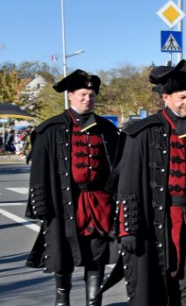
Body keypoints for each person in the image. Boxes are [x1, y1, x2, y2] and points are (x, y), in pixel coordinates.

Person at [113, 60, 186, 306]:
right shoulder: (142, 132)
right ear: (166, 97)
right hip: (160, 220)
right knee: (160, 288)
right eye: (182, 96)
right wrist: (128, 228)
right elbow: (128, 185)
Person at [26, 70, 121, 306]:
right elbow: (39, 172)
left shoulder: (107, 129)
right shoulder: (50, 129)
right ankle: (62, 299)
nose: (87, 98)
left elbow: (117, 166)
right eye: (82, 94)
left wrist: (116, 198)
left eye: (91, 94)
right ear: (70, 96)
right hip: (63, 201)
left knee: (96, 254)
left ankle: (93, 301)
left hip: (98, 201)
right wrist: (41, 207)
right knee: (62, 254)